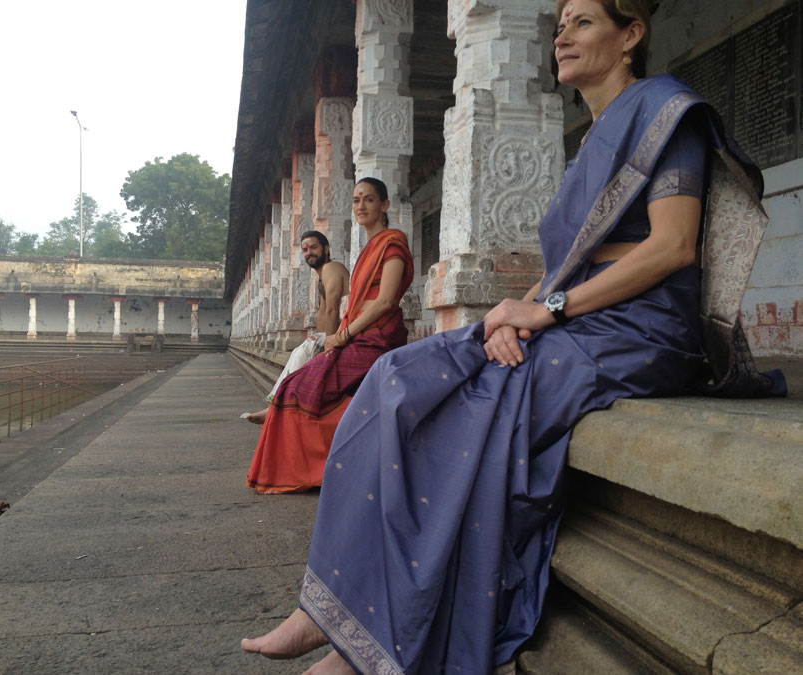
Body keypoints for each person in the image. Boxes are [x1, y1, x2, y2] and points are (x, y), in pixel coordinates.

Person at [241, 0, 786, 672]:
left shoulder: (667, 112)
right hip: (575, 315)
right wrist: (511, 310)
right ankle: (325, 610)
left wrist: (548, 309)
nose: (562, 34)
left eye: (583, 21)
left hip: (641, 330)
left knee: (474, 409)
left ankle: (370, 647)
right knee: (395, 380)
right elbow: (563, 268)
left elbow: (671, 248)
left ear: (631, 35)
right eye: (558, 23)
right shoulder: (592, 139)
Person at [246, 177, 415, 494]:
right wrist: (340, 336)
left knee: (302, 386)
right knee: (297, 383)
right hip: (358, 333)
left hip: (378, 337)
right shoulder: (367, 250)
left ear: (384, 206)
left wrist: (342, 335)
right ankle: (313, 465)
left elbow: (385, 300)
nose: (361, 206)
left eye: (368, 199)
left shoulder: (392, 244)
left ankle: (322, 467)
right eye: (355, 200)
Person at [241, 231, 349, 424]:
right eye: (305, 249)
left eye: (314, 247)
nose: (309, 253)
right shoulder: (320, 275)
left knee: (301, 352)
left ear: (326, 249)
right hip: (334, 333)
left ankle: (273, 406)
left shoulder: (332, 268)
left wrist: (329, 345)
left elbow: (333, 309)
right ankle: (276, 404)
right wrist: (321, 339)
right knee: (301, 352)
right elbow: (322, 312)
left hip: (348, 331)